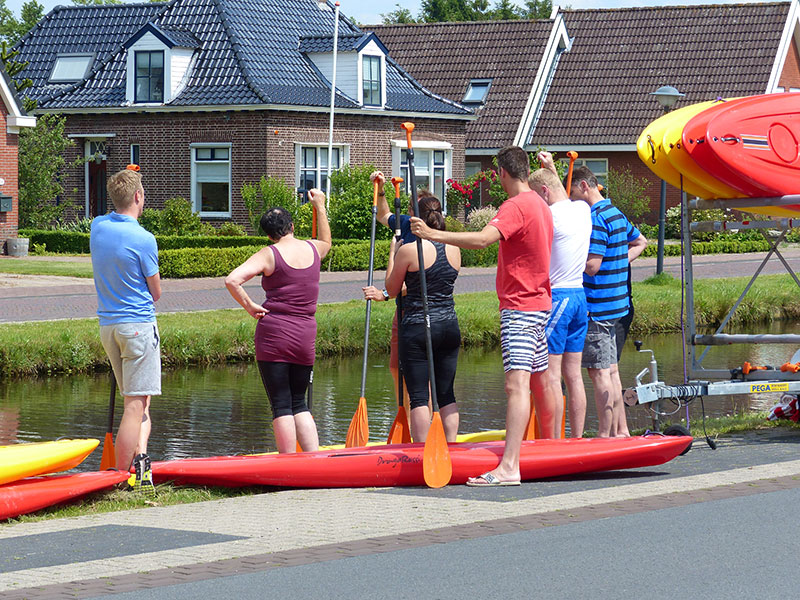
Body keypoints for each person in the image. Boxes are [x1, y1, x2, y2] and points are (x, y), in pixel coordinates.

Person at [411, 145, 556, 486]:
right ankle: (550, 450)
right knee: (541, 380)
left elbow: (482, 240)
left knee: (516, 385)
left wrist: (433, 235)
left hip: (520, 307)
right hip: (539, 305)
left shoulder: (516, 205)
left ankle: (509, 467)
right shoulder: (540, 203)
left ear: (503, 174)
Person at [225, 190, 331, 453]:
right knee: (300, 402)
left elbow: (232, 280)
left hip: (274, 334)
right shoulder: (314, 248)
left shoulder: (269, 254)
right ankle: (313, 460)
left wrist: (249, 306)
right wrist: (320, 206)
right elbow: (326, 241)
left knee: (281, 405)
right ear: (292, 226)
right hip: (305, 334)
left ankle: (288, 463)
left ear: (269, 235)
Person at [90, 167, 161, 493]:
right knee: (135, 405)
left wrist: (126, 178)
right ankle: (120, 477)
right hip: (137, 327)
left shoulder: (98, 227)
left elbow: (115, 206)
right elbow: (155, 291)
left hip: (109, 327)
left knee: (139, 402)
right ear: (138, 197)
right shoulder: (144, 239)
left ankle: (141, 460)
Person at [567, 166, 647, 437]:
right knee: (611, 370)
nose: (572, 198)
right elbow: (640, 242)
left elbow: (591, 266)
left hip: (598, 308)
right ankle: (621, 431)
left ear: (585, 186)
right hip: (618, 306)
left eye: (573, 192)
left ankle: (604, 435)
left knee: (599, 372)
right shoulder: (616, 213)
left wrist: (564, 266)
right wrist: (619, 263)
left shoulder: (597, 218)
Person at [381, 196, 461, 442]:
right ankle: (450, 447)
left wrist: (393, 252)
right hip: (449, 324)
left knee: (418, 395)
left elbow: (391, 289)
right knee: (446, 393)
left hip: (417, 324)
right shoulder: (454, 249)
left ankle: (421, 452)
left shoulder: (409, 251)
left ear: (417, 221)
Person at [529, 154, 592, 438]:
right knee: (573, 375)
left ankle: (552, 441)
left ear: (542, 192)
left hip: (558, 298)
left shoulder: (549, 216)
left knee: (551, 375)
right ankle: (576, 438)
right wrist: (551, 170)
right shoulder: (582, 209)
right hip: (580, 296)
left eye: (535, 196)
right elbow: (556, 190)